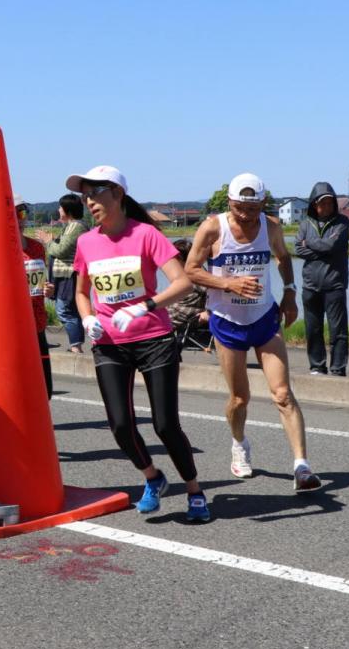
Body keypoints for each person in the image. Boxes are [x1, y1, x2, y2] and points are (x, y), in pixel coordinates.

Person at [69, 165, 209, 522]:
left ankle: (194, 490)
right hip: (110, 344)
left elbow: (182, 284)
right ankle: (153, 477)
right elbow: (81, 293)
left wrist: (143, 306)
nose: (90, 201)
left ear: (117, 193)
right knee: (119, 424)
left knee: (165, 425)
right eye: (85, 195)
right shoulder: (86, 241)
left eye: (96, 193)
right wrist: (87, 319)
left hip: (154, 338)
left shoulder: (146, 234)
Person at [185, 172, 321, 493]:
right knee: (239, 398)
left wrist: (289, 292)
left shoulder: (271, 227)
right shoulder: (213, 228)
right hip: (227, 320)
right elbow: (190, 270)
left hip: (263, 318)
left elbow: (283, 257)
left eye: (253, 208)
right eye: (239, 208)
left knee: (283, 394)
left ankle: (302, 467)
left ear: (262, 203)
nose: (246, 215)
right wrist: (227, 283)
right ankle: (239, 443)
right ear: (229, 203)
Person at [294, 181, 349, 376]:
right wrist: (322, 248)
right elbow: (298, 249)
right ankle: (317, 366)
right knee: (313, 329)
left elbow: (331, 247)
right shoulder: (304, 224)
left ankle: (338, 368)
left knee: (338, 330)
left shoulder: (342, 223)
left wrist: (310, 243)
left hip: (334, 284)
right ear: (313, 204)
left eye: (329, 203)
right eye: (321, 203)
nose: (325, 207)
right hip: (310, 286)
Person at [35, 193, 89, 354]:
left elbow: (60, 250)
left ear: (67, 210)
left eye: (60, 207)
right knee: (71, 309)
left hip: (68, 275)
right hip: (66, 275)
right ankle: (76, 345)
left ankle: (75, 346)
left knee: (64, 310)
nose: (58, 210)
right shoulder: (73, 226)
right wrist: (53, 240)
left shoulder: (76, 227)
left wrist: (48, 241)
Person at [17, 199, 53, 395]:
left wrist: (48, 289)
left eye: (22, 214)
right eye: (13, 214)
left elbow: (40, 282)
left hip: (37, 320)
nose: (19, 219)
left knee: (44, 387)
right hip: (12, 325)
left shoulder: (37, 247)